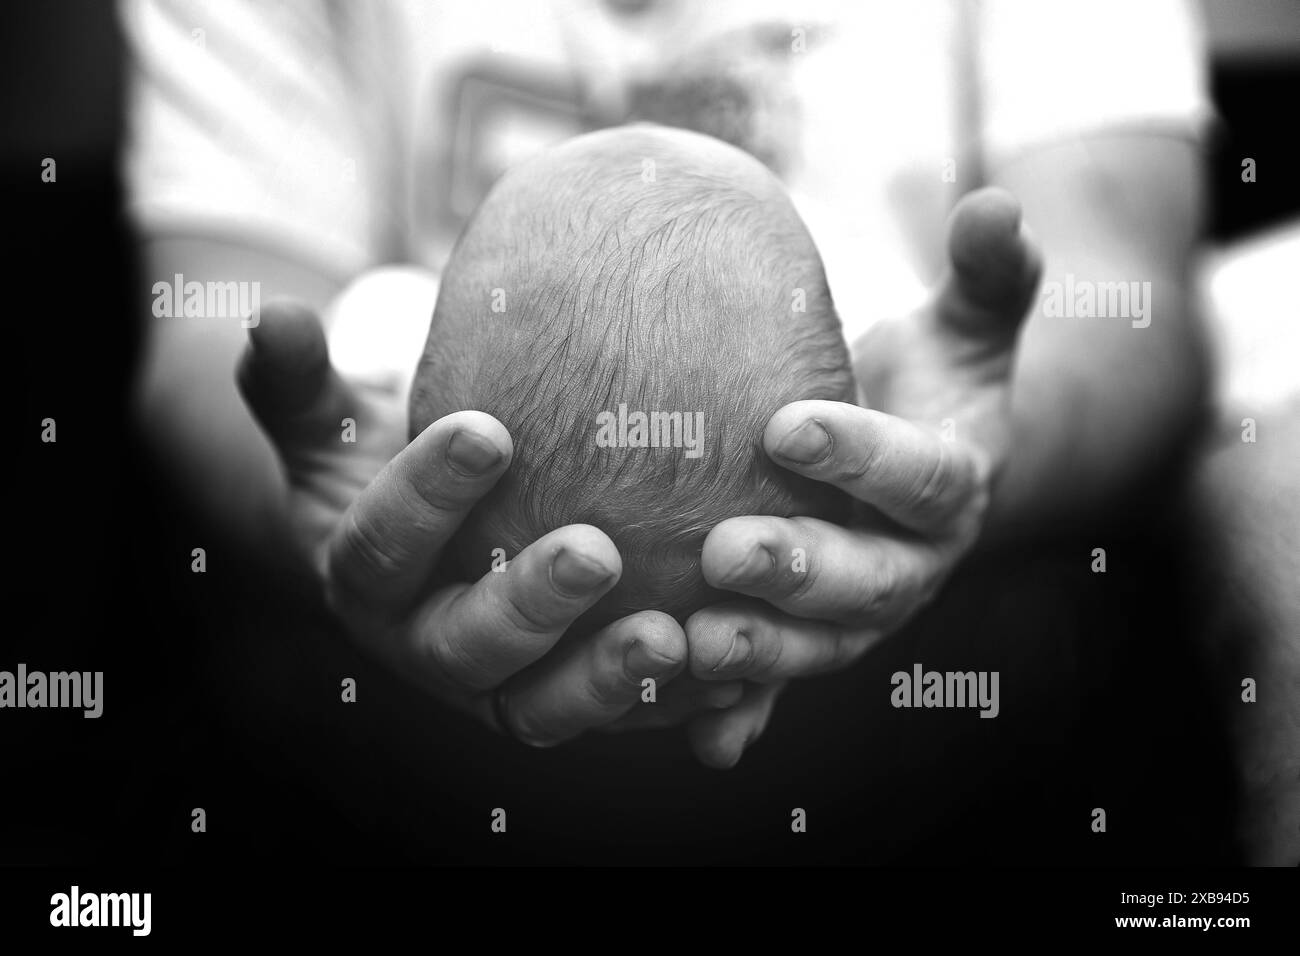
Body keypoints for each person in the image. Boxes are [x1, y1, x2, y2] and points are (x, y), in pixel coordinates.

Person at [122, 0, 1209, 768]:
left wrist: (970, 446)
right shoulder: (395, 332)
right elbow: (213, 331)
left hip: (957, 617)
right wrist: (328, 504)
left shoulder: (878, 314)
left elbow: (1123, 303)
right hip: (392, 641)